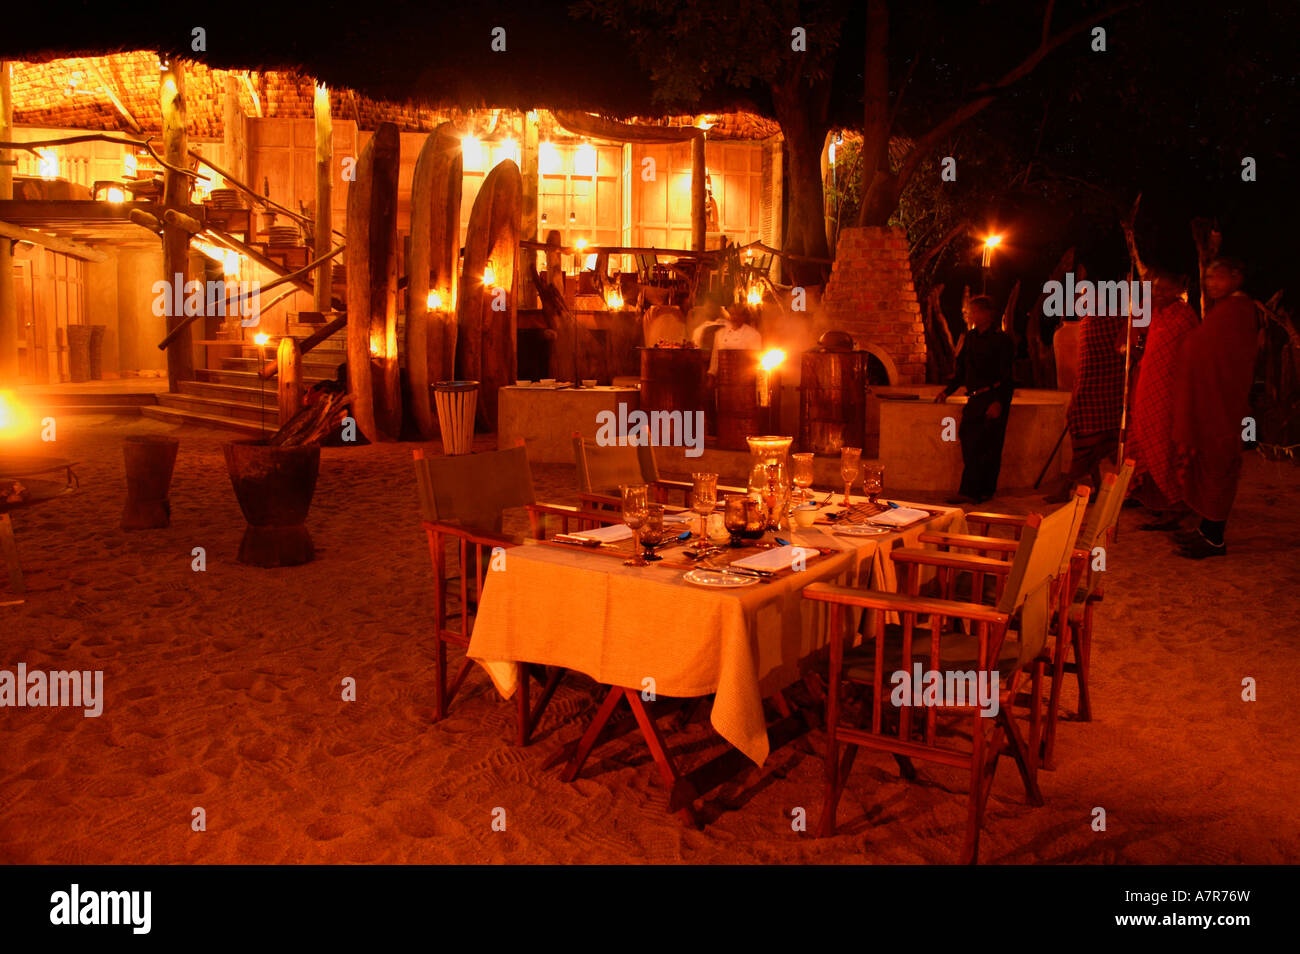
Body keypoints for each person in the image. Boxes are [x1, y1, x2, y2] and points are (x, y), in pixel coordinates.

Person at [1170, 258, 1259, 558]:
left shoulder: (1240, 310)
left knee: (1219, 466)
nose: (1211, 284)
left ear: (1236, 276)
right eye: (1208, 278)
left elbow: (1226, 356)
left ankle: (1214, 539)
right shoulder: (1224, 309)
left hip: (1224, 404)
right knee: (1208, 466)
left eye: (1218, 278)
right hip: (1211, 402)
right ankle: (1205, 530)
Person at [1126, 269, 1200, 525]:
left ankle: (1175, 505)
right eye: (1154, 289)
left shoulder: (1184, 316)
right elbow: (1134, 325)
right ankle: (1154, 500)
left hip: (1170, 393)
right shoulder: (1155, 311)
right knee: (1143, 438)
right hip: (1148, 388)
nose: (1157, 293)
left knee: (1163, 444)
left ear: (1177, 291)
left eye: (1162, 290)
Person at [935, 295, 1015, 504]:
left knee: (988, 446)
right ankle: (974, 490)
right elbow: (961, 371)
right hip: (974, 399)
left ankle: (977, 492)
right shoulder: (970, 338)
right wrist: (947, 392)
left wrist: (998, 402)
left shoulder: (1001, 340)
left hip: (991, 397)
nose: (972, 315)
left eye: (975, 311)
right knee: (969, 441)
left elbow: (1007, 376)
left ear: (987, 314)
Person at [1052, 280, 1127, 500]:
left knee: (1091, 440)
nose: (1084, 300)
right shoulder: (1088, 322)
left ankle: (1068, 487)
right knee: (1086, 439)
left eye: (1089, 296)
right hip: (1087, 388)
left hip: (1106, 392)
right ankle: (1097, 486)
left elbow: (1118, 353)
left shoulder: (1114, 322)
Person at [706, 304, 763, 378]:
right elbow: (715, 358)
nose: (735, 317)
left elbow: (755, 360)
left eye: (739, 314)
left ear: (744, 317)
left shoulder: (753, 334)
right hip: (724, 378)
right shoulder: (719, 334)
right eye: (732, 314)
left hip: (744, 379)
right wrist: (711, 374)